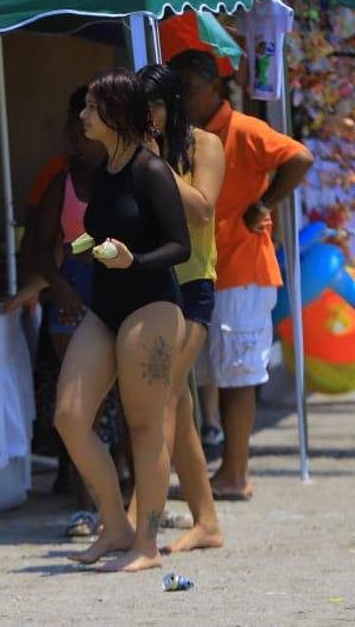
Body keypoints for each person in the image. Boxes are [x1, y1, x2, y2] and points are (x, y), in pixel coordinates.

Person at [53, 70, 190, 573]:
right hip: (106, 306)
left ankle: (147, 546)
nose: (82, 116)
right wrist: (87, 246)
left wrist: (134, 260)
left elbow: (181, 246)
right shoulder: (102, 170)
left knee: (145, 427)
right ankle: (115, 525)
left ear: (114, 112)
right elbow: (104, 228)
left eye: (91, 107)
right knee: (68, 415)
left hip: (151, 304)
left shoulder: (151, 170)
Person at [171, 49, 313, 502]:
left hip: (242, 269)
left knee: (238, 376)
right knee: (210, 376)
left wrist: (264, 203)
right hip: (203, 270)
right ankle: (219, 473)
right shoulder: (184, 135)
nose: (183, 101)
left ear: (215, 88)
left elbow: (301, 158)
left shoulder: (244, 129)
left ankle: (235, 473)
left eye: (189, 92)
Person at [12, 86, 125, 533]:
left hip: (122, 292)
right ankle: (88, 505)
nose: (75, 136)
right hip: (75, 297)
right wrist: (58, 285)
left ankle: (126, 505)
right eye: (72, 127)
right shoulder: (64, 182)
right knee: (82, 408)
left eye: (84, 126)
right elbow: (41, 248)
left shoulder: (130, 176)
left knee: (132, 407)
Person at [135, 63, 225, 553]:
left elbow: (202, 209)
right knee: (179, 407)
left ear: (172, 105)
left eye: (153, 106)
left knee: (164, 396)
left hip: (192, 287)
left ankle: (137, 513)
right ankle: (207, 521)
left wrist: (156, 163)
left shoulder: (203, 146)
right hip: (151, 287)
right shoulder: (134, 150)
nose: (146, 116)